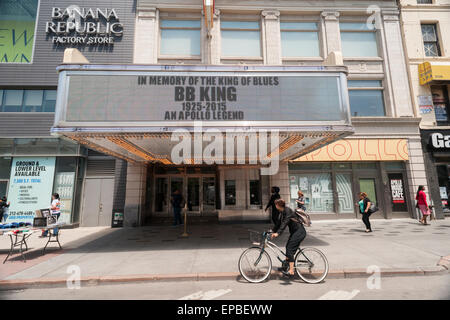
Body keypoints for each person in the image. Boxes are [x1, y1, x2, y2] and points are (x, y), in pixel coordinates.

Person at [271, 199, 307, 277]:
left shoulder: (287, 211)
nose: (275, 206)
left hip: (299, 232)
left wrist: (278, 233)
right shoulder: (282, 212)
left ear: (278, 205)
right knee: (288, 247)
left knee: (289, 249)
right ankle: (285, 266)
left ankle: (291, 270)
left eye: (275, 204)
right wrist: (272, 231)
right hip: (295, 232)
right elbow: (278, 223)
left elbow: (284, 223)